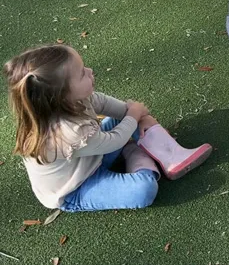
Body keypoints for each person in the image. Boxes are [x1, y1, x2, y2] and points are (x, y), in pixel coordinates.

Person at [4, 44, 212, 212]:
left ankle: (172, 154)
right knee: (144, 190)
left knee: (127, 120)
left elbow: (112, 107)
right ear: (61, 96)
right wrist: (134, 115)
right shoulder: (67, 133)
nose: (90, 71)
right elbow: (114, 140)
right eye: (82, 74)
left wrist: (141, 116)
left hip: (92, 155)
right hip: (76, 188)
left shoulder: (72, 100)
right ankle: (135, 154)